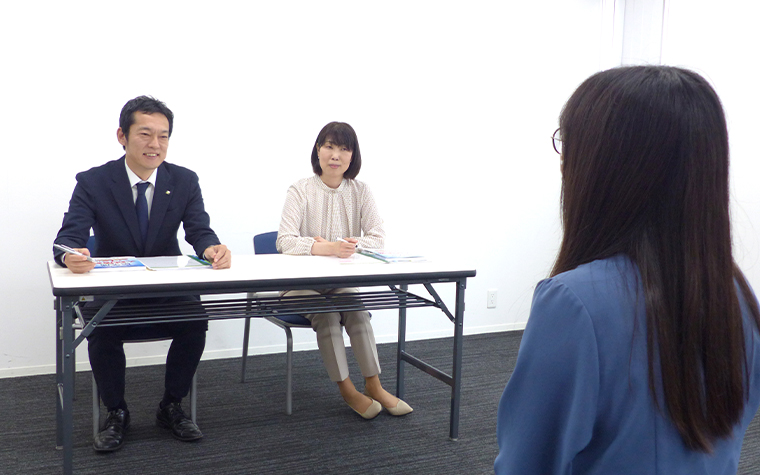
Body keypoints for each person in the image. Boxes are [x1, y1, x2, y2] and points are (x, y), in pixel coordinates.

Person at [494, 66, 760, 474]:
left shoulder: (574, 303)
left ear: (605, 164)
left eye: (570, 142)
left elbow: (527, 463)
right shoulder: (738, 296)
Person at [53, 96, 231, 452]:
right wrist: (70, 255)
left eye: (163, 136)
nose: (155, 144)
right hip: (115, 292)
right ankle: (116, 411)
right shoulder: (93, 181)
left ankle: (171, 406)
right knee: (100, 330)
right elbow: (68, 237)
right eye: (145, 134)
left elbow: (199, 230)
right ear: (122, 135)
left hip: (167, 289)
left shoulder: (183, 180)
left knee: (195, 320)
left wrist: (211, 248)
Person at [276, 121, 412, 419]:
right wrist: (327, 248)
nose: (335, 155)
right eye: (329, 146)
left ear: (353, 155)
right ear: (318, 150)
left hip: (340, 281)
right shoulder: (300, 189)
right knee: (327, 315)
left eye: (343, 148)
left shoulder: (361, 191)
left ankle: (374, 386)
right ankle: (348, 390)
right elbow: (284, 241)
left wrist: (345, 245)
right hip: (299, 284)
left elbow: (377, 238)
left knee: (357, 310)